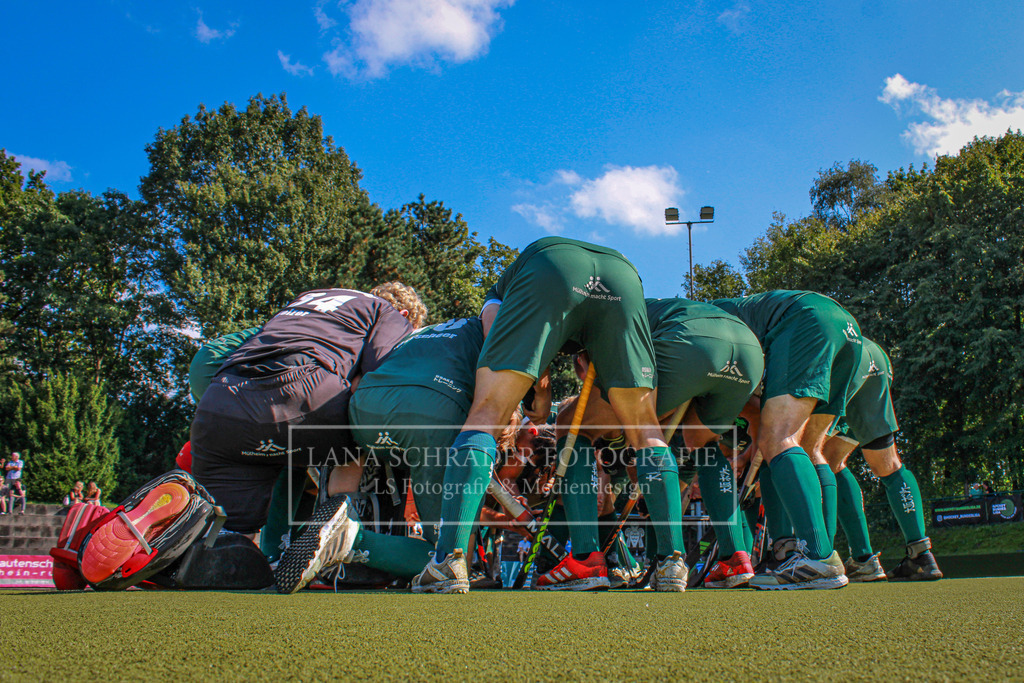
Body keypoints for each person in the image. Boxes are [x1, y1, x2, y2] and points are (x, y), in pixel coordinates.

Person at [411, 236, 686, 594]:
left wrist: (532, 401)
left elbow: (513, 351)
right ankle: (672, 564)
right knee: (646, 431)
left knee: (485, 414)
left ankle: (448, 561)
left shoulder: (499, 290)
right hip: (624, 273)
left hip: (549, 262)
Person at [530, 298, 765, 591]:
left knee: (571, 422)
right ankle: (734, 559)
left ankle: (588, 560)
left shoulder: (594, 325)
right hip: (749, 351)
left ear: (579, 362)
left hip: (689, 344)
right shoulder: (640, 307)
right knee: (701, 441)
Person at [190, 286, 419, 540]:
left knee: (227, 534)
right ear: (405, 313)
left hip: (219, 405)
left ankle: (205, 554)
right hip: (303, 396)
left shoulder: (309, 298)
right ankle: (338, 522)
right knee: (362, 427)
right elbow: (377, 379)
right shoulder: (386, 312)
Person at [709, 290, 863, 590]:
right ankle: (814, 553)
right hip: (847, 328)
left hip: (805, 320)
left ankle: (817, 557)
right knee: (808, 448)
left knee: (779, 437)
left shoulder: (702, 320)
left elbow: (732, 384)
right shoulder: (733, 312)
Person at [822, 338, 942, 582]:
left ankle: (827, 557)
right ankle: (919, 556)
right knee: (850, 461)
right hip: (874, 357)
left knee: (811, 457)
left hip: (840, 359)